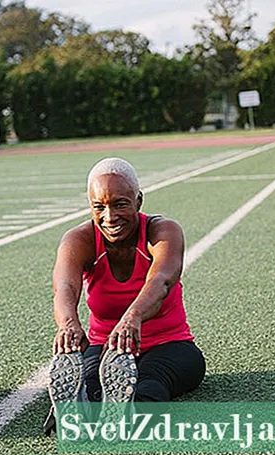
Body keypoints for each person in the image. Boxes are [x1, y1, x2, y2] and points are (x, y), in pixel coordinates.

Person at [45, 157, 205, 432]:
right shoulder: (79, 239)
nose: (109, 217)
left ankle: (128, 414)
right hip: (106, 349)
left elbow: (162, 281)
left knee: (152, 380)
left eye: (120, 204)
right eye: (99, 207)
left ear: (139, 200)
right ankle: (78, 409)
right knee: (93, 381)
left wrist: (133, 318)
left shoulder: (163, 231)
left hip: (168, 344)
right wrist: (68, 324)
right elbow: (64, 287)